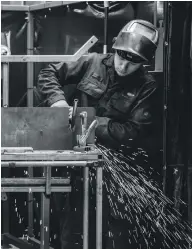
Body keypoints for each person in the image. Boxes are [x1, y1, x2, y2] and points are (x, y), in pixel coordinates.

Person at [37, 19, 161, 249]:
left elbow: (132, 133)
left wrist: (88, 120)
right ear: (115, 47)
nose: (123, 66)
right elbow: (48, 73)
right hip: (76, 161)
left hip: (115, 170)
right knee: (71, 229)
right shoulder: (92, 62)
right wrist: (58, 103)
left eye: (133, 62)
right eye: (122, 57)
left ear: (144, 62)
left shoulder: (147, 86)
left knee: (114, 234)